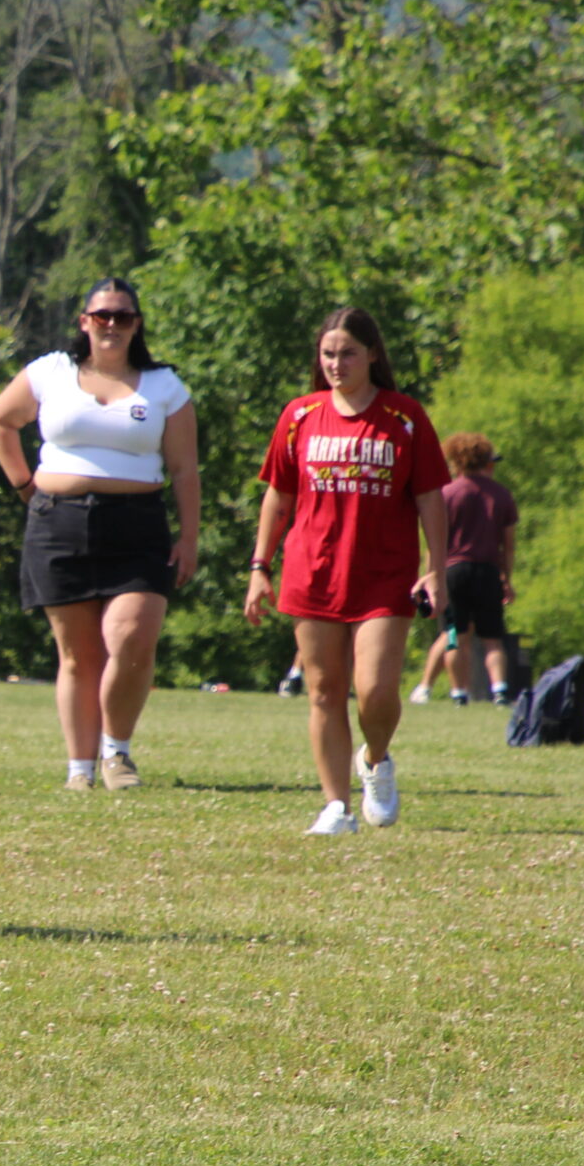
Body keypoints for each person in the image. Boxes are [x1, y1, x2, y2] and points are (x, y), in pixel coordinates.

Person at [0, 277, 198, 790]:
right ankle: (79, 769)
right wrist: (25, 487)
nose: (111, 324)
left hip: (138, 524)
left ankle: (116, 753)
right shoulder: (51, 371)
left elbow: (186, 470)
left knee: (131, 638)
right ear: (84, 321)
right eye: (102, 315)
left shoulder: (165, 386)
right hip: (58, 522)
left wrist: (189, 538)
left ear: (136, 325)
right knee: (78, 655)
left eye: (123, 316)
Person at [244, 307, 451, 835]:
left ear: (373, 355)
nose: (337, 363)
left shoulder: (404, 417)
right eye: (328, 353)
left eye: (349, 353)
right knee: (322, 690)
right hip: (312, 571)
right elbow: (278, 494)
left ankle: (376, 760)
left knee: (376, 690)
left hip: (385, 574)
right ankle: (337, 806)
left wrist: (436, 570)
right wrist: (260, 566)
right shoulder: (299, 416)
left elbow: (431, 497)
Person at [428, 431, 519, 708]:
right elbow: (509, 545)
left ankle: (459, 693)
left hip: (453, 572)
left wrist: (432, 575)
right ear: (487, 462)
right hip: (488, 572)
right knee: (492, 638)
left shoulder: (446, 493)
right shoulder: (501, 495)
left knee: (455, 635)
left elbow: (434, 541)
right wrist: (507, 578)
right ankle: (500, 690)